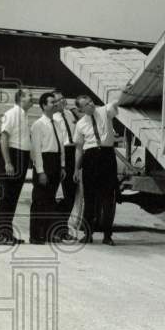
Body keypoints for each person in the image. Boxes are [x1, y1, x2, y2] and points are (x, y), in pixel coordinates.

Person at [73, 95, 119, 245]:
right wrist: (76, 169)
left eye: (91, 102)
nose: (91, 105)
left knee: (108, 198)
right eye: (87, 104)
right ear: (81, 109)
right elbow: (79, 149)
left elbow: (116, 102)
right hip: (90, 159)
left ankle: (107, 235)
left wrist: (125, 90)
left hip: (107, 157)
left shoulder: (105, 111)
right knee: (90, 198)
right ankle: (88, 234)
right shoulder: (80, 125)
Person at [0, 89, 34, 244]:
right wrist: (8, 162)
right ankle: (2, 235)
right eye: (29, 95)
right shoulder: (11, 114)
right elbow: (3, 138)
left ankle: (7, 233)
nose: (32, 97)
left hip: (22, 156)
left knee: (13, 198)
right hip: (13, 155)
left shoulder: (24, 115)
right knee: (6, 197)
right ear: (20, 99)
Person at [29, 92, 65, 244]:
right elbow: (36, 150)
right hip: (44, 162)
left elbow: (61, 146)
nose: (55, 104)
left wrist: (62, 166)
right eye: (52, 102)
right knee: (39, 200)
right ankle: (36, 235)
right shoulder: (38, 124)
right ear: (44, 105)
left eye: (56, 102)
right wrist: (40, 171)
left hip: (56, 162)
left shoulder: (57, 123)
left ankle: (48, 234)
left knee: (50, 200)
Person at [51, 91, 79, 239]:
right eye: (59, 100)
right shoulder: (53, 119)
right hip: (62, 154)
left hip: (73, 153)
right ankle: (54, 229)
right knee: (58, 194)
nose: (63, 101)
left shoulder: (70, 114)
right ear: (54, 104)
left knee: (71, 193)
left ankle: (63, 229)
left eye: (63, 98)